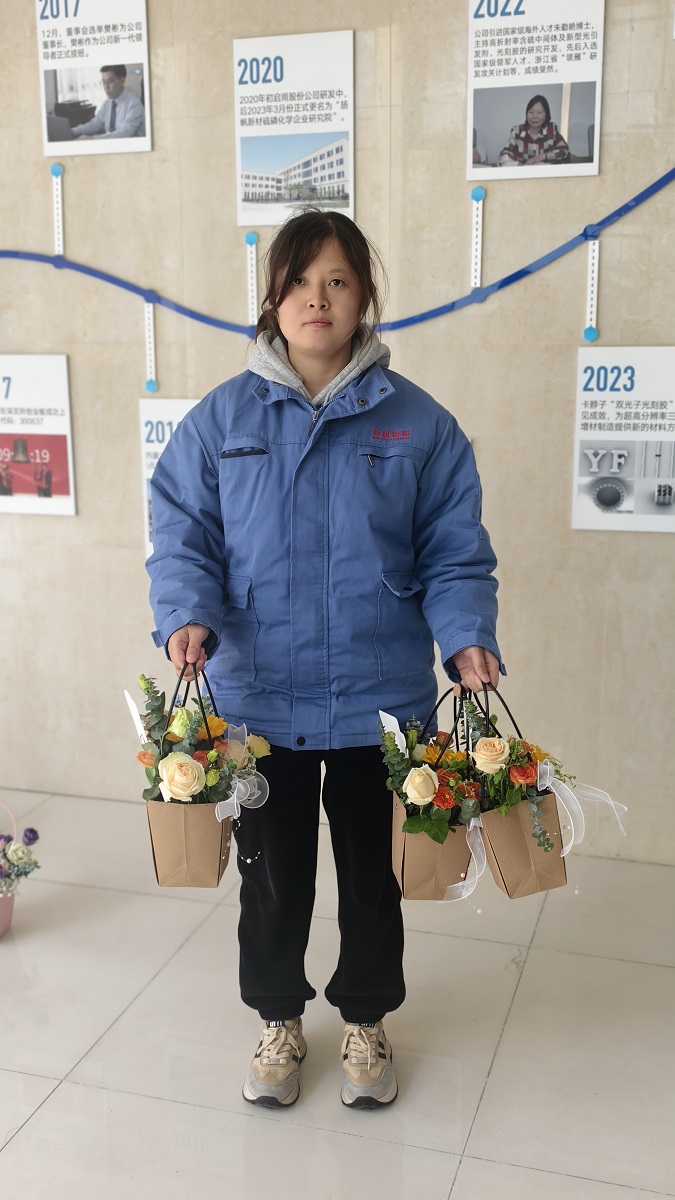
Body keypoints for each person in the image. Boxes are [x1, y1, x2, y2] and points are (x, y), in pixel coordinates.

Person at [147, 211, 503, 1111]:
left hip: (379, 701)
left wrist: (465, 634)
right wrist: (185, 614)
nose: (318, 298)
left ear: (363, 297)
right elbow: (181, 535)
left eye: (337, 280)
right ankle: (277, 1019)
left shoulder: (417, 423)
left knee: (375, 879)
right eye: (300, 282)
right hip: (259, 701)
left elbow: (453, 550)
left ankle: (366, 1019)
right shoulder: (220, 419)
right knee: (272, 883)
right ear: (273, 299)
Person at [71, 65, 145, 140]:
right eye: (103, 82)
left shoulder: (134, 105)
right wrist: (72, 131)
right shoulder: (107, 104)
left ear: (122, 81)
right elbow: (94, 124)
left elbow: (124, 133)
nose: (106, 87)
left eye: (109, 82)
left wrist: (92, 139)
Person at [498, 94, 570, 166]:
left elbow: (564, 150)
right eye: (531, 112)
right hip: (524, 171)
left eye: (539, 112)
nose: (535, 116)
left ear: (546, 115)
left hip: (545, 171)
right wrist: (519, 166)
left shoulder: (551, 129)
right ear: (526, 114)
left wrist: (542, 157)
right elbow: (504, 155)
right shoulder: (517, 131)